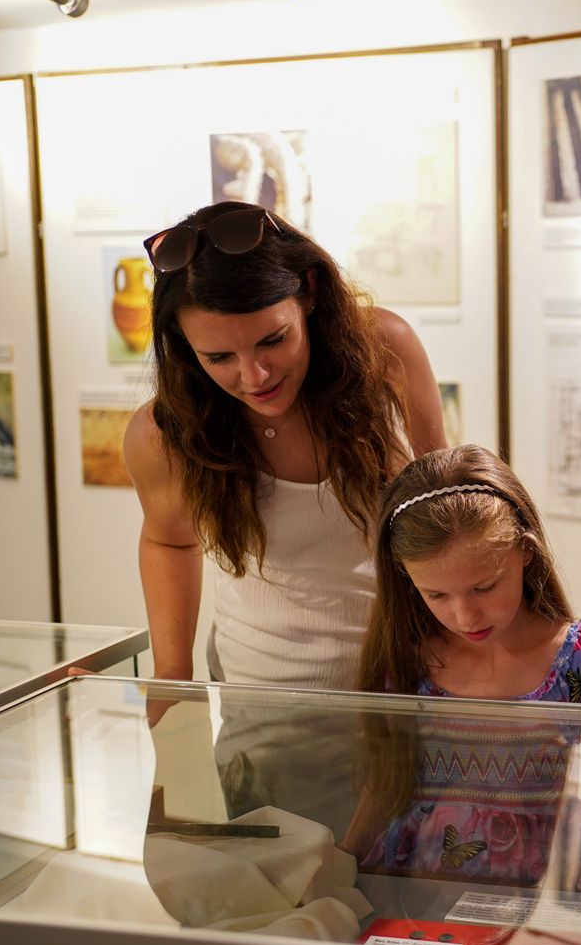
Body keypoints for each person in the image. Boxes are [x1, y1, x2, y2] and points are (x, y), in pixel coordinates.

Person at [124, 200, 445, 689]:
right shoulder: (165, 431)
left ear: (310, 291)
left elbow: (443, 506)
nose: (254, 377)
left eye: (273, 340)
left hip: (405, 683)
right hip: (261, 700)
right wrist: (172, 671)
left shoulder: (385, 351)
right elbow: (169, 539)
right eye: (219, 357)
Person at [346, 445, 581, 884]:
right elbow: (385, 781)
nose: (465, 617)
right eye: (436, 595)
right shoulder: (408, 657)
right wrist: (343, 866)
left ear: (526, 551)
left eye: (484, 587)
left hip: (541, 900)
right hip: (415, 893)